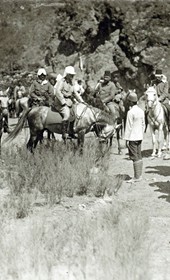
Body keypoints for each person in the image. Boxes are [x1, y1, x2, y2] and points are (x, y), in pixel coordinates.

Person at [54, 65, 84, 140]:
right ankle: (64, 133)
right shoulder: (61, 81)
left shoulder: (71, 83)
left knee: (75, 114)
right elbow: (57, 92)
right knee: (66, 114)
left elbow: (75, 93)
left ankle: (71, 132)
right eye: (70, 75)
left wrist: (82, 101)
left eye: (72, 75)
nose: (72, 76)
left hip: (70, 101)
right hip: (60, 102)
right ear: (67, 74)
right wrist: (63, 102)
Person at [124, 91, 145, 183]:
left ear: (130, 102)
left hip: (132, 137)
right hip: (139, 137)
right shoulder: (141, 111)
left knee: (134, 156)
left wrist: (126, 139)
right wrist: (141, 134)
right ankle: (139, 175)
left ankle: (136, 177)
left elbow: (128, 126)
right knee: (139, 155)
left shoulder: (130, 112)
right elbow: (143, 124)